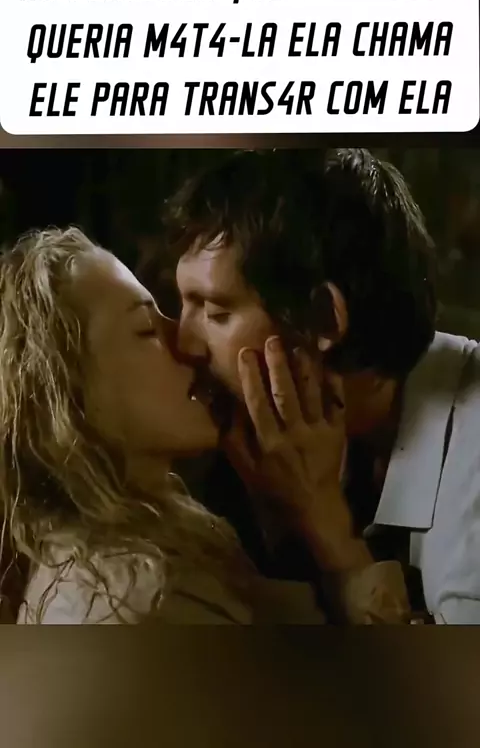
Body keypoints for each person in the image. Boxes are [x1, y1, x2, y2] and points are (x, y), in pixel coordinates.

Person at [0, 226, 408, 624]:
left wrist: (304, 512)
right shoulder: (142, 600)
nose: (185, 342)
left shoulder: (166, 537)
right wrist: (332, 532)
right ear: (67, 396)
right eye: (146, 329)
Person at [164, 148, 480, 625]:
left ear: (323, 318)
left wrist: (325, 523)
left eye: (215, 311)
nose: (185, 343)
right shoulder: (324, 437)